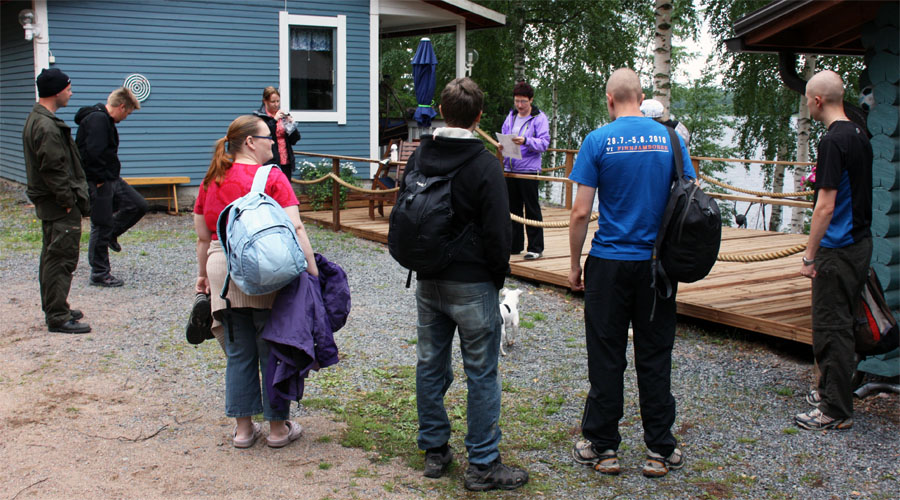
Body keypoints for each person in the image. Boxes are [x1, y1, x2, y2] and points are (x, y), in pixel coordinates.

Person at [567, 68, 695, 478]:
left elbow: (581, 212)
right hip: (657, 266)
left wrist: (574, 264)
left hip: (609, 262)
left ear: (609, 99)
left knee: (606, 355)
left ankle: (603, 447)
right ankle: (660, 449)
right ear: (641, 98)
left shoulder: (597, 140)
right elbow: (689, 199)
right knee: (655, 355)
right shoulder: (672, 140)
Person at [404, 78, 527, 491]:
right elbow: (499, 233)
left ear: (441, 110)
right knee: (482, 373)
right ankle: (483, 463)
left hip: (428, 280)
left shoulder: (420, 155)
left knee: (429, 365)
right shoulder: (484, 164)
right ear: (479, 116)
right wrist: (495, 278)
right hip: (473, 282)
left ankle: (435, 450)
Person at [193, 115, 318, 448]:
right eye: (267, 137)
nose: (273, 143)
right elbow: (296, 228)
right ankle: (277, 429)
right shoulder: (272, 177)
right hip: (267, 270)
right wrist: (313, 271)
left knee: (238, 352)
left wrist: (202, 275)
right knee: (271, 349)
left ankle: (243, 431)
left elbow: (203, 236)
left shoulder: (211, 179)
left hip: (222, 269)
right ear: (250, 142)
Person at [795, 70, 872, 431]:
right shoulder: (858, 133)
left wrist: (810, 255)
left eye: (807, 100)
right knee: (844, 322)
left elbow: (825, 206)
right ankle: (830, 391)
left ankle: (834, 410)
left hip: (837, 248)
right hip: (860, 242)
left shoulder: (832, 141)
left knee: (831, 328)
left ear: (817, 101)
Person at [22, 68, 92, 335]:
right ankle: (58, 316)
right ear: (56, 91)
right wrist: (67, 200)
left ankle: (56, 306)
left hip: (52, 202)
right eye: (68, 89)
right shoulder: (46, 126)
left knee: (52, 256)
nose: (71, 93)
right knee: (60, 258)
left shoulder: (40, 119)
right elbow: (53, 168)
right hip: (59, 204)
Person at [75, 87, 148, 287]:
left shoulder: (104, 120)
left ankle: (111, 235)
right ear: (122, 107)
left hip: (111, 177)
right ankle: (99, 273)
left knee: (137, 205)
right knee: (101, 224)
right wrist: (99, 180)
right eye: (128, 113)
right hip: (99, 180)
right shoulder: (98, 120)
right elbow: (93, 153)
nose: (126, 117)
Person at [500, 81, 550, 260]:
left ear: (531, 100)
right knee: (512, 209)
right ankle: (514, 245)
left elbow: (544, 143)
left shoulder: (539, 118)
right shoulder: (511, 116)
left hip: (528, 169)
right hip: (510, 167)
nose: (520, 105)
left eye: (523, 101)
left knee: (531, 209)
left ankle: (535, 247)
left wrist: (527, 141)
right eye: (517, 101)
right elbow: (504, 133)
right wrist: (502, 144)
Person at [253, 87, 300, 180]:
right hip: (268, 161)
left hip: (285, 160)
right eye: (273, 102)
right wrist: (274, 120)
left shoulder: (283, 116)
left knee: (285, 186)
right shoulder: (259, 117)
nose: (276, 104)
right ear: (265, 101)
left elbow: (295, 140)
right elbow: (264, 135)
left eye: (278, 101)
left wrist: (291, 125)